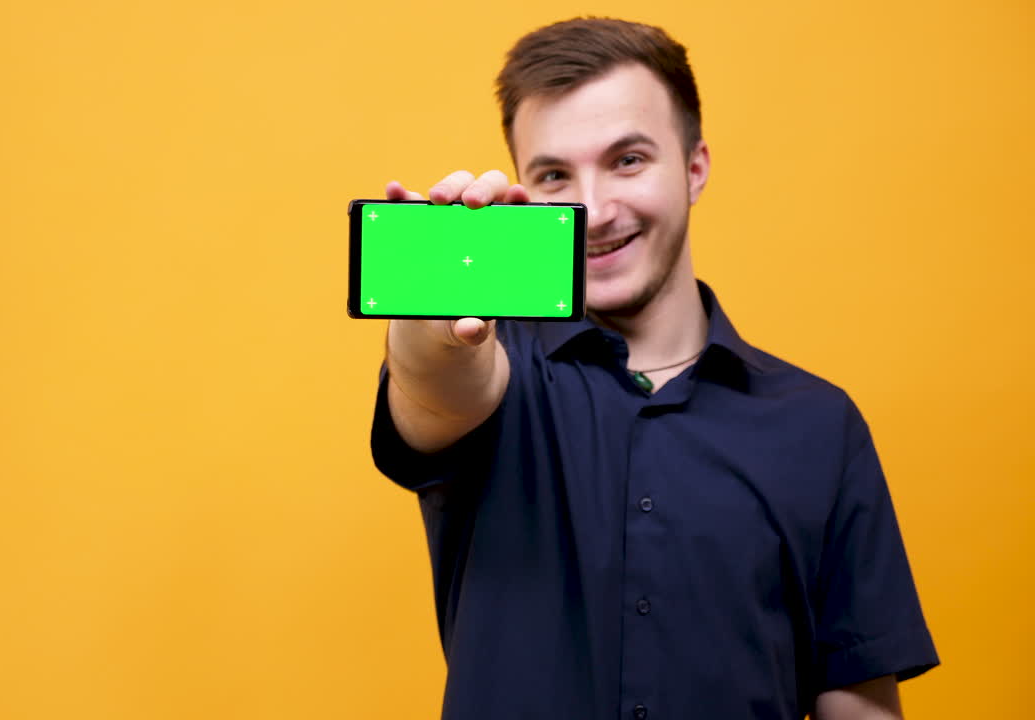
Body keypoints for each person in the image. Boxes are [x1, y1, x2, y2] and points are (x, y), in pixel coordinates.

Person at [369, 16, 938, 720]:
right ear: (520, 186)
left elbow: (860, 704)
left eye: (628, 160)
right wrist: (429, 328)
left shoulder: (820, 426)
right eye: (553, 174)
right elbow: (437, 387)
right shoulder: (493, 372)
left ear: (694, 167)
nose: (596, 208)